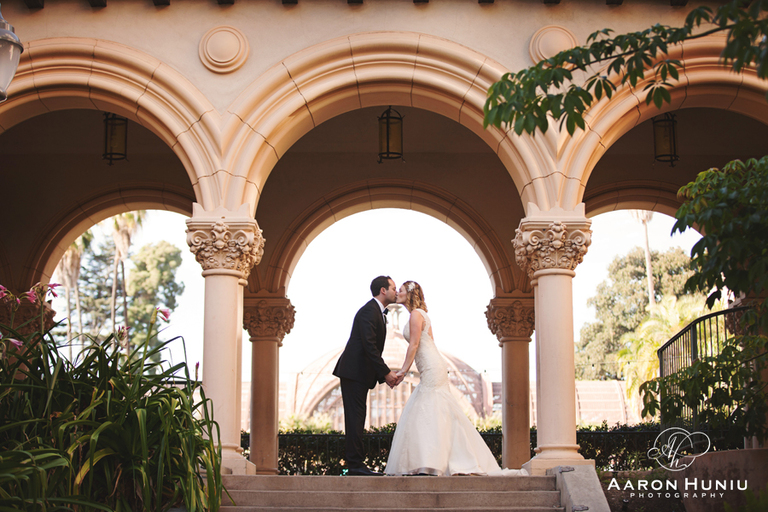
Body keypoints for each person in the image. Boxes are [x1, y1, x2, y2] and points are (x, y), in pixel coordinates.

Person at [385, 281, 527, 476]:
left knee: (429, 405)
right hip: (431, 364)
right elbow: (430, 343)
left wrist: (403, 371)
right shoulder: (420, 314)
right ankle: (431, 461)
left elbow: (415, 344)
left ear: (409, 294)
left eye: (400, 290)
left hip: (431, 365)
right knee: (433, 407)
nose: (397, 293)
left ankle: (431, 462)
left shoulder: (416, 314)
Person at [333, 276, 401, 476]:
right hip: (354, 372)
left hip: (358, 374)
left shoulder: (376, 312)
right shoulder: (369, 311)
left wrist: (384, 374)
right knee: (355, 418)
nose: (396, 292)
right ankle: (355, 465)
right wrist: (386, 373)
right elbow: (369, 346)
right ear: (383, 290)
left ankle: (356, 463)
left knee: (357, 417)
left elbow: (371, 349)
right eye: (393, 288)